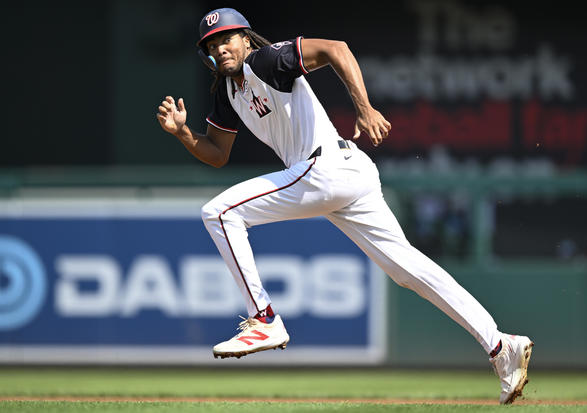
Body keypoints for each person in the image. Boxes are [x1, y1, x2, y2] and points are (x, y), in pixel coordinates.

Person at [156, 7, 533, 404]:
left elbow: (337, 48)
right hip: (340, 175)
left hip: (325, 168)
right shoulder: (228, 92)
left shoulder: (265, 60)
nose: (221, 46)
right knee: (407, 270)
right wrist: (183, 133)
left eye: (228, 37)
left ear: (246, 39)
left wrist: (365, 108)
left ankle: (265, 319)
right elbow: (217, 153)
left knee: (219, 212)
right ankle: (501, 345)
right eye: (213, 43)